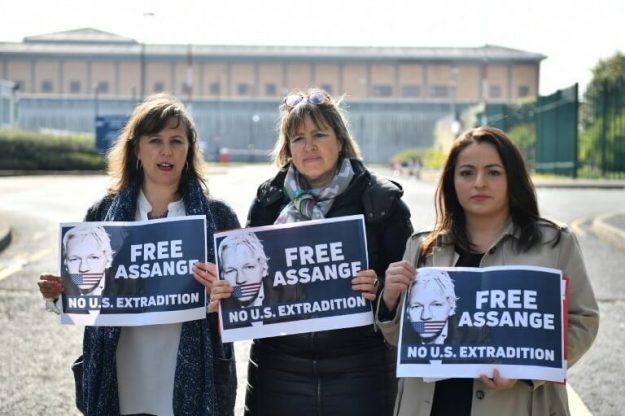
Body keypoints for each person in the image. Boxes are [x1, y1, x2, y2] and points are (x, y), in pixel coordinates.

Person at [199, 87, 414, 416]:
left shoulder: (382, 202)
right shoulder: (269, 201)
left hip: (361, 373)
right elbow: (247, 280)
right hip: (278, 372)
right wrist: (225, 292)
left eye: (319, 134)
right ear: (287, 148)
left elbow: (409, 293)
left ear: (340, 140)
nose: (309, 146)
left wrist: (382, 288)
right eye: (298, 138)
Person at [37, 93, 239, 416]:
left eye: (177, 141)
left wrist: (225, 295)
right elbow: (86, 298)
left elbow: (244, 305)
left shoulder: (219, 217)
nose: (166, 151)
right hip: (122, 377)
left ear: (189, 150)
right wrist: (60, 294)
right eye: (155, 140)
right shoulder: (102, 215)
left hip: (192, 381)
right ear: (136, 150)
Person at [377, 126, 599, 416]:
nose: (479, 183)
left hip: (517, 405)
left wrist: (526, 371)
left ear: (513, 179)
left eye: (493, 172)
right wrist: (390, 300)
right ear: (452, 181)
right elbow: (399, 339)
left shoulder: (555, 243)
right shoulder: (422, 246)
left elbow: (583, 321)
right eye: (467, 173)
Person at [218, 231, 269, 308]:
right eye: (230, 271)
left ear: (264, 269)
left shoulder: (290, 294)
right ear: (222, 275)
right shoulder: (221, 302)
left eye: (249, 267)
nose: (240, 280)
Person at [406, 268, 457, 344]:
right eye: (416, 306)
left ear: (451, 308)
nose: (425, 316)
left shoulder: (472, 337)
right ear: (407, 311)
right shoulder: (404, 336)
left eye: (436, 305)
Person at [61, 223, 114, 296]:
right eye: (74, 259)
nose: (83, 268)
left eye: (93, 258)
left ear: (108, 261)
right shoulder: (59, 291)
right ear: (66, 263)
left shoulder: (125, 289)